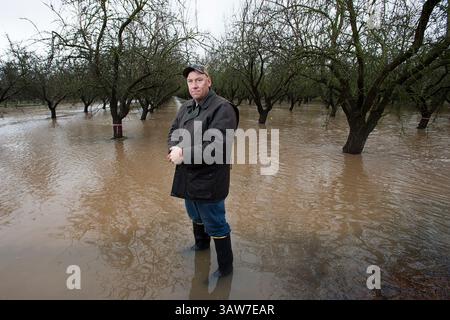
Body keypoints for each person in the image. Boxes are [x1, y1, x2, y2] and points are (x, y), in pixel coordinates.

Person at [167, 64, 239, 278]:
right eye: (190, 81)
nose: (194, 84)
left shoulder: (223, 108)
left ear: (209, 81)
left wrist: (183, 154)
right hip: (188, 176)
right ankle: (201, 247)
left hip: (210, 179)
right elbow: (173, 130)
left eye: (199, 79)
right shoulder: (186, 107)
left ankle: (226, 268)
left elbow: (217, 146)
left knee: (215, 222)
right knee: (195, 215)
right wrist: (173, 148)